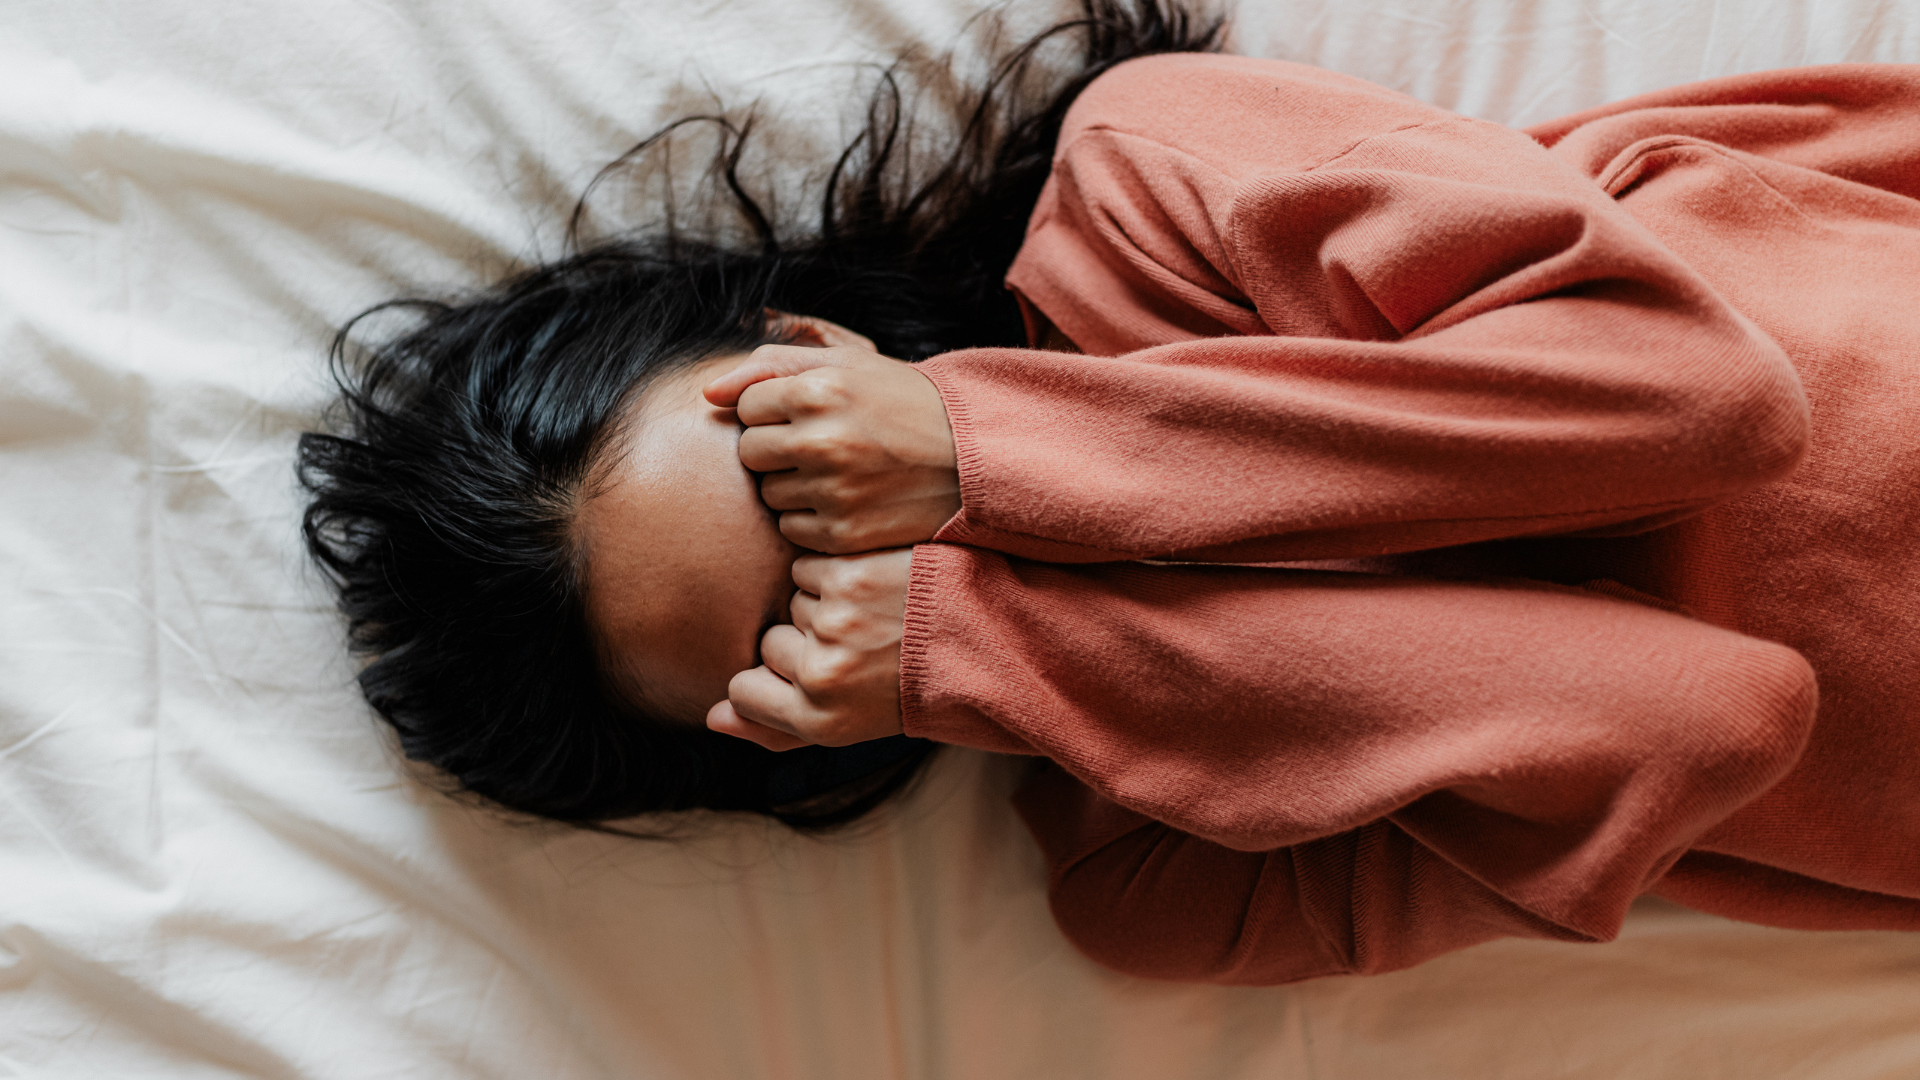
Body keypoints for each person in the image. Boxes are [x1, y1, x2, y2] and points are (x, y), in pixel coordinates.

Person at [299, 0, 1920, 984]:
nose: (875, 547)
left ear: (808, 342)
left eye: (794, 474)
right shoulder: (1162, 882)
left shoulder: (1149, 190)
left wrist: (993, 449)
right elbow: (1710, 717)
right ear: (809, 730)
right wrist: (1007, 635)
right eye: (809, 616)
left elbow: (1696, 398)